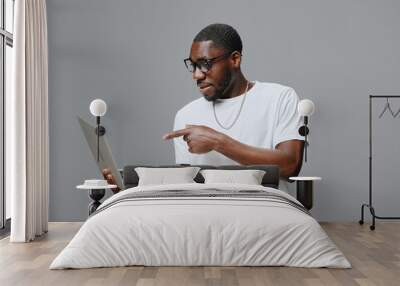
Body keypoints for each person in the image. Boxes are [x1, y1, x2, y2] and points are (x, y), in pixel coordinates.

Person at [162, 23, 304, 191]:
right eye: (193, 65)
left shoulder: (280, 98)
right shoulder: (186, 115)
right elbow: (187, 184)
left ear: (235, 59)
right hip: (206, 212)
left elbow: (290, 165)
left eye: (205, 63)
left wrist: (217, 141)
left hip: (266, 210)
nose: (196, 75)